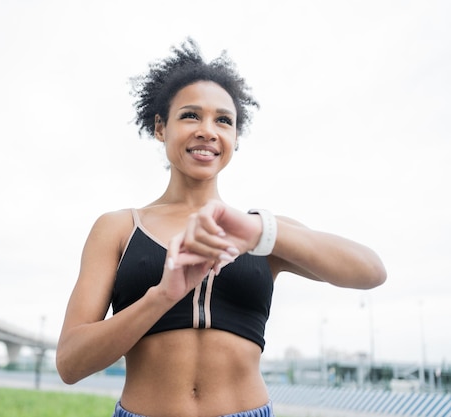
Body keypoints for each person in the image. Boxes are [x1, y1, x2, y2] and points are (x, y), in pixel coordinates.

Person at [56, 38, 386, 417]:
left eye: (223, 121)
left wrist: (259, 232)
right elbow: (70, 364)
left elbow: (371, 271)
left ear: (235, 138)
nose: (208, 131)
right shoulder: (119, 228)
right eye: (190, 115)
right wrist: (161, 296)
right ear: (160, 127)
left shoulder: (262, 230)